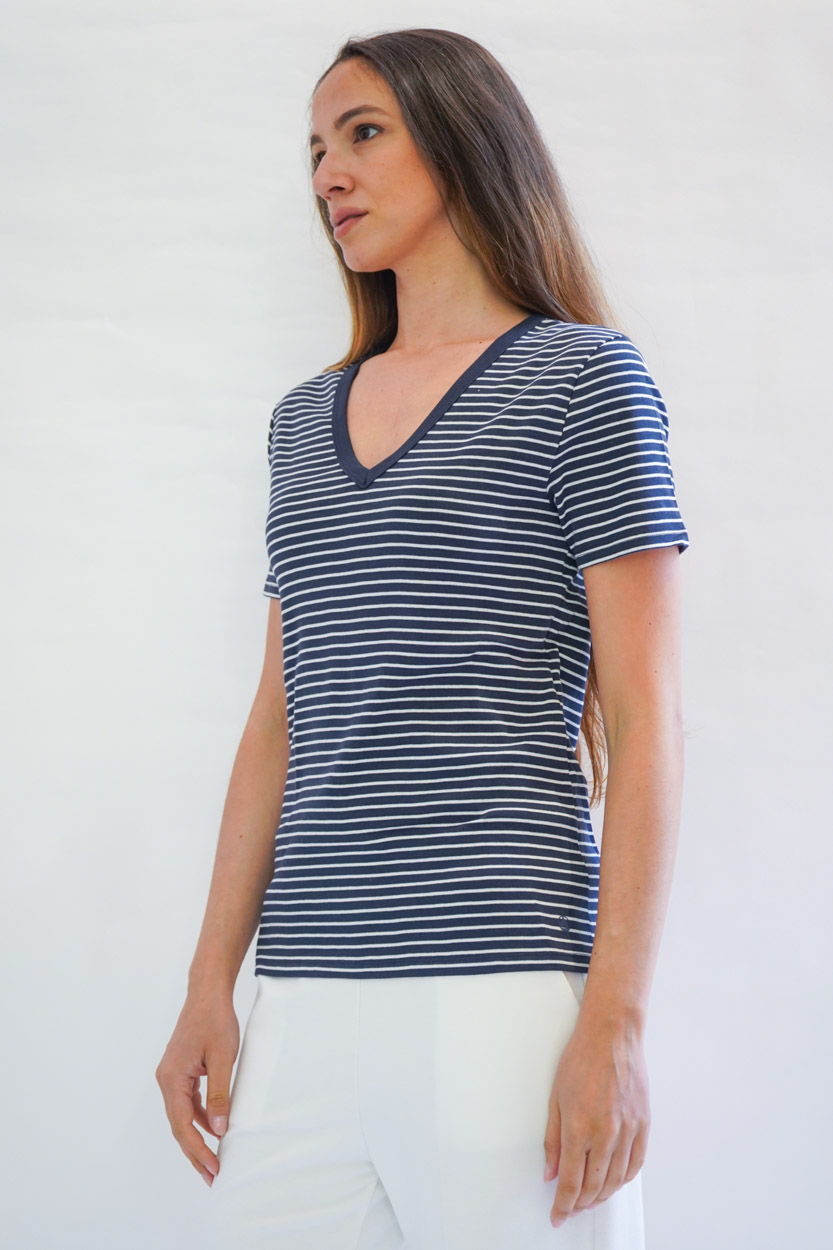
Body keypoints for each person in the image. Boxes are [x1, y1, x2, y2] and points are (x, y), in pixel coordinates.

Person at [156, 27, 690, 1250]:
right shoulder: (302, 423)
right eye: (314, 150)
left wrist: (614, 1019)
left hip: (500, 993)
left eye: (362, 134)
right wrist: (207, 984)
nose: (327, 175)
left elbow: (644, 720)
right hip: (302, 998)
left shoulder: (582, 382)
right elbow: (279, 721)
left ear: (464, 139)